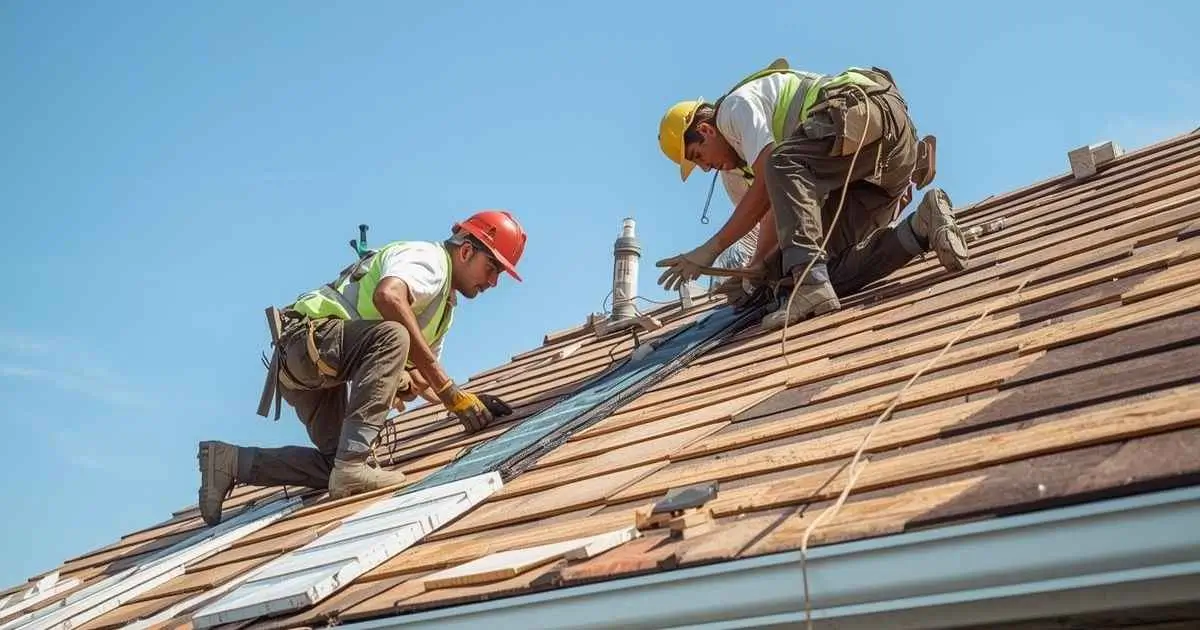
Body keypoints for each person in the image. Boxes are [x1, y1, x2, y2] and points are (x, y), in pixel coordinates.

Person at [196, 210, 526, 526]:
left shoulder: (443, 309)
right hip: (307, 341)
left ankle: (231, 462)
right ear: (466, 251)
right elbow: (388, 297)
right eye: (492, 267)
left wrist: (467, 402)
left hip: (316, 366)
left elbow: (426, 377)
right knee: (393, 337)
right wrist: (447, 389)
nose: (494, 282)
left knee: (334, 469)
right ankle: (353, 463)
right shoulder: (430, 260)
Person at [655, 58, 968, 328]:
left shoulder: (734, 110)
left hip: (863, 111)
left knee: (781, 165)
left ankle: (810, 282)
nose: (707, 168)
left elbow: (771, 174)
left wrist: (711, 248)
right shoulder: (742, 167)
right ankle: (921, 228)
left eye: (698, 155)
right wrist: (755, 273)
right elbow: (774, 216)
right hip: (883, 166)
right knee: (820, 271)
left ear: (706, 130)